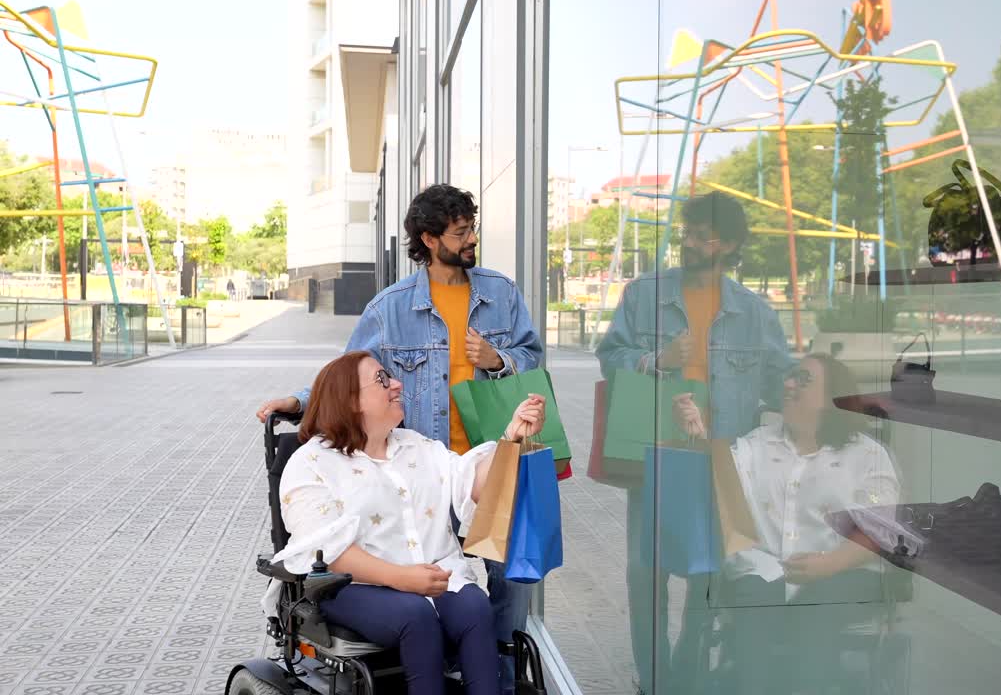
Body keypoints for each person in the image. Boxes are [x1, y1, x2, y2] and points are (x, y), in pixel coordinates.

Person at [256, 184, 543, 694]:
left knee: (501, 590)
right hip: (414, 466)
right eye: (461, 232)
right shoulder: (391, 308)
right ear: (430, 239)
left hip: (478, 466)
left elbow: (532, 358)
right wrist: (300, 403)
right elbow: (348, 376)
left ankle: (494, 682)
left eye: (472, 227)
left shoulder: (501, 293)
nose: (472, 238)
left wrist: (499, 361)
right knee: (421, 591)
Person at [595, 191, 793, 693]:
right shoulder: (644, 295)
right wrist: (656, 358)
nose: (689, 242)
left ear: (727, 244)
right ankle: (655, 677)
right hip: (658, 457)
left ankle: (685, 672)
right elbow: (609, 356)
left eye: (701, 234)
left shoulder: (754, 312)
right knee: (646, 575)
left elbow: (778, 381)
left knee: (709, 576)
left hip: (721, 459)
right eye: (687, 231)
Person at [268, 351, 546, 695]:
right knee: (415, 616)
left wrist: (512, 438)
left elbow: (473, 483)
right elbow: (326, 550)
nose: (397, 384)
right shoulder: (311, 463)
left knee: (475, 607)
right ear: (351, 400)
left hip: (432, 574)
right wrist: (401, 578)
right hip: (352, 585)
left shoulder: (417, 447)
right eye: (383, 379)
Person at [673, 354, 903, 693]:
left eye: (803, 379)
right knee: (752, 604)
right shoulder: (756, 444)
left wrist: (829, 565)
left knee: (818, 615)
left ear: (831, 397)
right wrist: (696, 435)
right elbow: (723, 487)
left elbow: (879, 527)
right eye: (790, 376)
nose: (788, 383)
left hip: (843, 571)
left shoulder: (866, 455)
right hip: (765, 568)